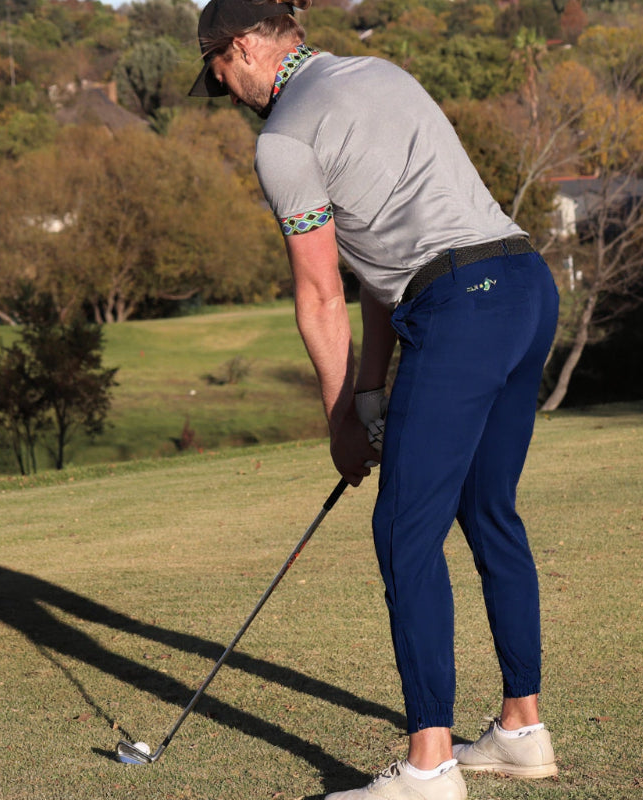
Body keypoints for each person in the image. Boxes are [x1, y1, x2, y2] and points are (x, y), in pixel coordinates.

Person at [189, 1, 560, 797]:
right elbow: (379, 274)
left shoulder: (285, 138)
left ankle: (430, 767)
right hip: (526, 286)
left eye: (218, 71)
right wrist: (367, 394)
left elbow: (320, 294)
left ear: (244, 48)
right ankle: (522, 730)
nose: (222, 89)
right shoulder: (380, 74)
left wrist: (337, 425)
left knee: (402, 530)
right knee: (487, 509)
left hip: (461, 304)